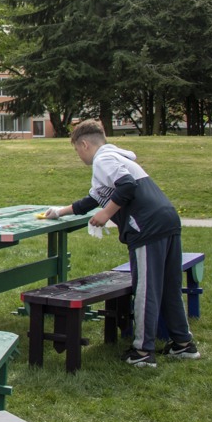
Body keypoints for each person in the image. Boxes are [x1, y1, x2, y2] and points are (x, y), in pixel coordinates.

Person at [42, 120, 200, 368]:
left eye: (76, 150)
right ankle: (183, 344)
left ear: (84, 144)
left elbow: (127, 186)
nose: (78, 155)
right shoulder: (118, 158)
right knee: (170, 285)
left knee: (146, 290)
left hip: (147, 227)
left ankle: (143, 352)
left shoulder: (103, 160)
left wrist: (105, 214)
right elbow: (91, 200)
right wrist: (59, 212)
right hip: (168, 220)